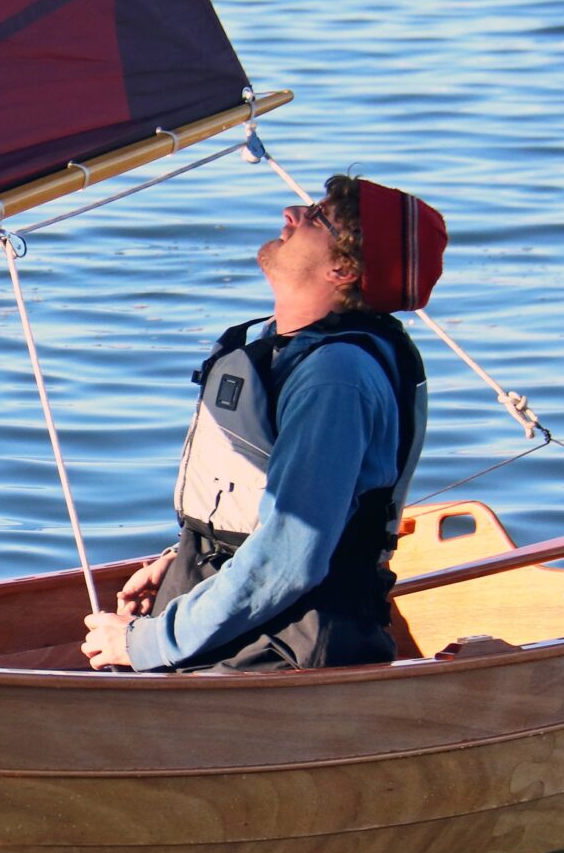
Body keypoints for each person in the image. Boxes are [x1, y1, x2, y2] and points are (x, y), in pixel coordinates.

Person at [81, 174, 447, 672]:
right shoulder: (289, 351)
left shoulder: (334, 378)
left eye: (314, 217)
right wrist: (184, 558)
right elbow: (264, 512)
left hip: (283, 648)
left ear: (341, 268)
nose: (290, 215)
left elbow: (289, 556)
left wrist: (146, 643)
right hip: (244, 621)